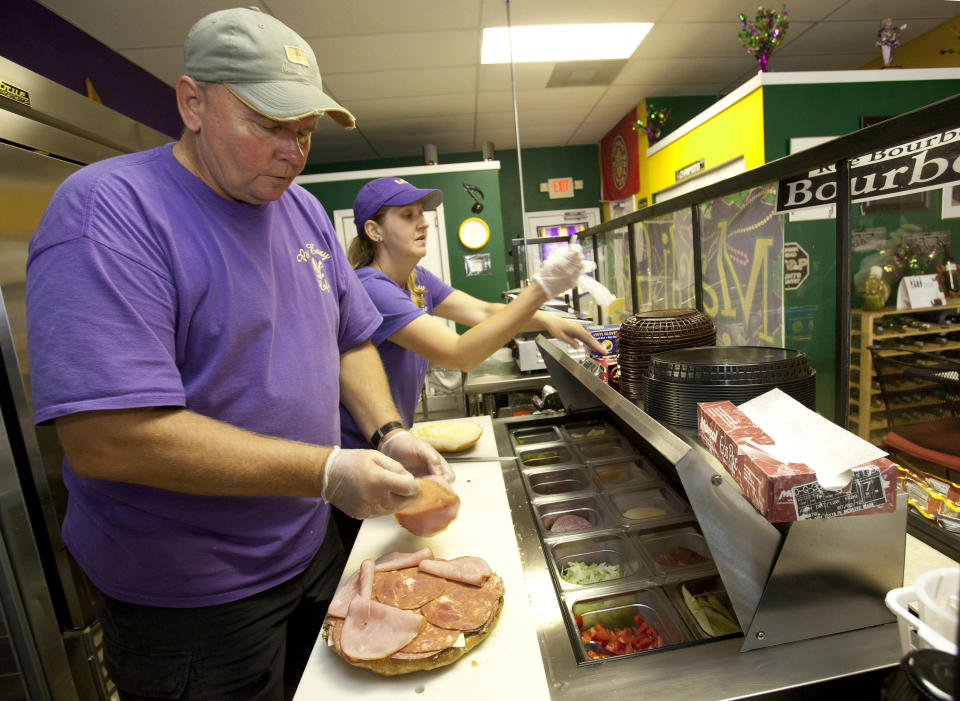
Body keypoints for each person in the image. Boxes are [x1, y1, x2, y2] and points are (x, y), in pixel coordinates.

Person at [25, 8, 450, 700]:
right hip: (190, 602)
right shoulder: (110, 213)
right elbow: (108, 438)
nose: (292, 152)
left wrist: (388, 431)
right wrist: (326, 469)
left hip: (309, 552)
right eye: (269, 127)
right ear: (192, 102)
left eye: (305, 133)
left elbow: (348, 338)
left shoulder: (305, 212)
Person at [334, 177, 604, 545]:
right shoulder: (371, 287)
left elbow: (482, 310)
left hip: (392, 448)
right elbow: (460, 354)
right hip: (363, 456)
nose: (424, 222)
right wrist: (541, 289)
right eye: (407, 214)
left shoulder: (414, 279)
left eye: (423, 213)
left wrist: (548, 319)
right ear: (373, 230)